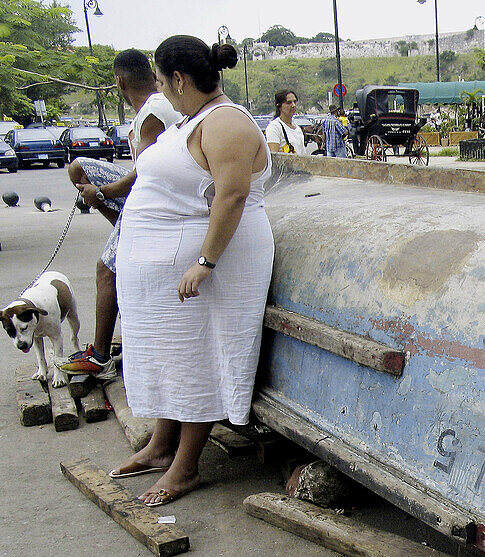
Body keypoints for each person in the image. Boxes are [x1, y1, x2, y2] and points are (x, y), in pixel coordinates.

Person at [110, 35, 273, 507]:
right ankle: (161, 446)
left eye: (161, 80)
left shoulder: (227, 123)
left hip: (213, 262)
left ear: (178, 79)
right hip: (171, 267)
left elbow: (232, 195)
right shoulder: (194, 119)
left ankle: (185, 468)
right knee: (169, 353)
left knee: (197, 357)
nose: (159, 88)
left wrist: (204, 262)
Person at [59, 49, 181, 379]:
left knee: (105, 269)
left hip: (158, 201)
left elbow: (146, 172)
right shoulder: (154, 108)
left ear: (119, 82)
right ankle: (123, 233)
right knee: (79, 167)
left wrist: (102, 194)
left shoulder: (153, 114)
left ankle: (99, 356)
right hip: (152, 195)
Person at [265, 89, 306, 155]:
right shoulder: (274, 127)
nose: (293, 105)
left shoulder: (297, 128)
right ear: (279, 106)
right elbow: (273, 156)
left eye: (294, 102)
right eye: (288, 103)